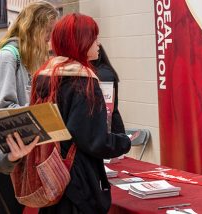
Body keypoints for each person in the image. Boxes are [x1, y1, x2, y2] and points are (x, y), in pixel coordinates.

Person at [30, 13, 131, 213]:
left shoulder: (43, 76)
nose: (98, 44)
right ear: (81, 42)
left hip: (50, 175)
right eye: (94, 38)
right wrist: (124, 141)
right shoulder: (83, 81)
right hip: (77, 182)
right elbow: (93, 140)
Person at [0, 1, 58, 213]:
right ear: (33, 28)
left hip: (19, 156)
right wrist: (41, 113)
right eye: (48, 32)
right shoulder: (8, 56)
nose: (49, 39)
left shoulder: (29, 58)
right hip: (5, 161)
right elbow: (4, 110)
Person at [91, 45, 125, 134]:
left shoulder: (103, 74)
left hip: (110, 130)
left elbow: (107, 110)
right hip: (105, 129)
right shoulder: (97, 71)